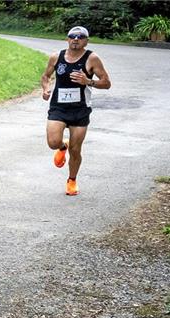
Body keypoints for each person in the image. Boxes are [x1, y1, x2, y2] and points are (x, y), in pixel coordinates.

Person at [41, 25, 111, 195]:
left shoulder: (92, 58)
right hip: (58, 107)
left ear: (86, 41)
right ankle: (61, 147)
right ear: (67, 39)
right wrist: (45, 89)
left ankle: (72, 180)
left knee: (76, 149)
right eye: (73, 36)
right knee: (52, 143)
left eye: (80, 37)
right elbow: (46, 76)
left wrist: (88, 81)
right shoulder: (56, 57)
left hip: (80, 109)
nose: (76, 39)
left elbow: (106, 83)